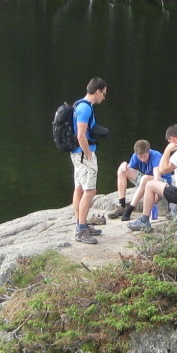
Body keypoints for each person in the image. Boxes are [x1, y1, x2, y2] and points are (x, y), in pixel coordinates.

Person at [127, 125, 177, 231]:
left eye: (169, 142)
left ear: (172, 139)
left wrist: (167, 151)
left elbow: (162, 169)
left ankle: (144, 221)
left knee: (150, 185)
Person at [69, 77, 107, 245]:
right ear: (97, 91)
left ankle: (80, 223)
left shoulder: (79, 104)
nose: (104, 97)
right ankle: (81, 229)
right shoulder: (85, 108)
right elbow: (81, 135)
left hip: (77, 154)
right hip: (84, 154)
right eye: (103, 94)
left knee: (79, 188)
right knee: (90, 191)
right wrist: (88, 155)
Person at [109, 139, 160, 220]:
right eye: (140, 157)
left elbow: (157, 175)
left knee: (145, 178)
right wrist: (124, 164)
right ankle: (122, 205)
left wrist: (155, 193)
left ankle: (130, 208)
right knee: (122, 170)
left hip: (161, 182)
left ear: (148, 152)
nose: (142, 159)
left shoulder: (156, 156)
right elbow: (128, 168)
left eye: (145, 156)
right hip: (145, 180)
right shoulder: (135, 156)